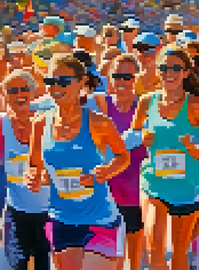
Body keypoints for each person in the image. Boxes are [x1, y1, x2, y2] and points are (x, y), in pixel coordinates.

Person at [26, 54, 130, 270]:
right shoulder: (39, 125)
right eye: (51, 81)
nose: (57, 87)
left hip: (100, 219)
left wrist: (106, 172)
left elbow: (123, 156)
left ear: (81, 82)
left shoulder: (99, 122)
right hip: (61, 219)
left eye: (63, 81)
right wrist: (34, 178)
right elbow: (36, 168)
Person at [130, 43, 199, 270]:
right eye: (164, 68)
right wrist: (140, 139)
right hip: (154, 182)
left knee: (179, 254)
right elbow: (131, 139)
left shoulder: (195, 106)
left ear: (187, 72)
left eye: (176, 69)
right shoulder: (146, 102)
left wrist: (194, 150)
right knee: (154, 251)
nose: (170, 74)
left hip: (187, 186)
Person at [93, 55, 148, 270]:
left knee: (134, 256)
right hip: (106, 191)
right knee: (111, 257)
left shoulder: (144, 106)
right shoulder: (99, 104)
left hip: (136, 192)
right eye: (117, 76)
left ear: (136, 77)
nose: (122, 81)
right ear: (109, 77)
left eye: (127, 76)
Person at [2, 70, 51, 270]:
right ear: (4, 96)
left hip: (50, 214)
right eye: (13, 90)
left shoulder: (49, 123)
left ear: (33, 93)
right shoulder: (2, 125)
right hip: (16, 214)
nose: (19, 94)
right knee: (17, 266)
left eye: (24, 89)